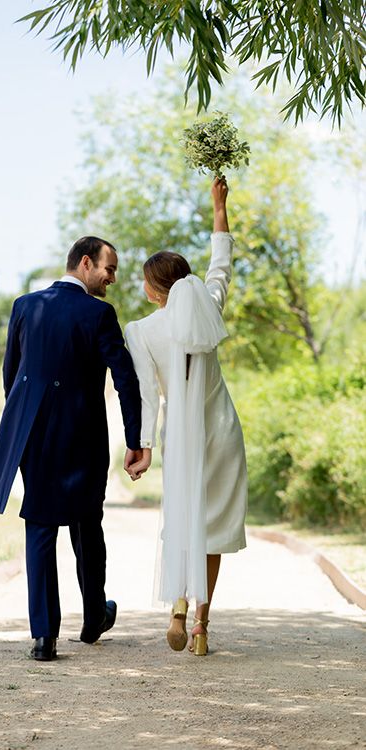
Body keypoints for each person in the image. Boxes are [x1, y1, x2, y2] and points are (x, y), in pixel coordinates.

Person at [0, 236, 144, 661]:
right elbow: (126, 380)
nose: (111, 279)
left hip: (33, 436)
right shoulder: (99, 314)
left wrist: (25, 425)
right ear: (85, 263)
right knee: (87, 524)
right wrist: (135, 440)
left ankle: (43, 636)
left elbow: (11, 377)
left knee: (39, 524)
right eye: (108, 269)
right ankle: (93, 618)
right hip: (84, 436)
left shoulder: (25, 306)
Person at [124, 178, 247, 656]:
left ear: (156, 292)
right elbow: (221, 264)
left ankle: (176, 606)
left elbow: (147, 399)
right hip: (221, 431)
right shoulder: (209, 309)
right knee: (212, 526)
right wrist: (219, 207)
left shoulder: (142, 330)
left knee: (182, 520)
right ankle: (201, 626)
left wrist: (144, 447)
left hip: (182, 437)